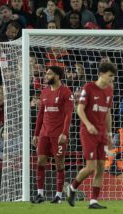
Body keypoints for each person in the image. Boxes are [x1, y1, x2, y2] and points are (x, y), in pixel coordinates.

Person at [65, 62, 117, 209]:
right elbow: (79, 109)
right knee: (91, 167)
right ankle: (72, 187)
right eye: (110, 76)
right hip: (88, 132)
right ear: (101, 74)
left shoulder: (109, 91)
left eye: (113, 76)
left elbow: (107, 113)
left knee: (101, 167)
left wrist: (109, 134)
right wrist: (88, 124)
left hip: (101, 132)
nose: (112, 79)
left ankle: (93, 201)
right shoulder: (88, 87)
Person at [31, 66, 74, 204]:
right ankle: (40, 194)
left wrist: (64, 133)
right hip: (44, 134)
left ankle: (59, 196)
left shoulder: (66, 92)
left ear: (57, 76)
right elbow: (40, 115)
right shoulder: (44, 92)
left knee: (59, 164)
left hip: (58, 135)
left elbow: (68, 115)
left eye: (49, 74)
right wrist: (36, 134)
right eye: (46, 74)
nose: (46, 76)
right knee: (40, 162)